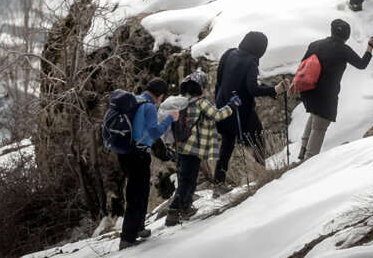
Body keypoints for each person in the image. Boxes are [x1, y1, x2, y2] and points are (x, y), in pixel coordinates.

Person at [290, 19, 373, 160]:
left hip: (308, 92)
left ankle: (303, 149)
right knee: (320, 126)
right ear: (346, 36)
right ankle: (308, 161)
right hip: (326, 95)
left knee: (314, 115)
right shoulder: (343, 49)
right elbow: (361, 64)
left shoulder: (315, 45)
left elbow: (302, 66)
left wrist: (294, 84)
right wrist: (370, 47)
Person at [213, 31, 289, 191]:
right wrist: (276, 89)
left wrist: (219, 102)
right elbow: (253, 89)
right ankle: (263, 175)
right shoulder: (250, 62)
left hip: (223, 106)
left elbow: (219, 80)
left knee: (227, 144)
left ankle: (218, 184)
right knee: (258, 139)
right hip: (241, 110)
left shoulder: (229, 53)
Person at [165, 70, 240, 226]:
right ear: (200, 87)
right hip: (194, 147)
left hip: (181, 146)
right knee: (188, 180)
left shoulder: (181, 102)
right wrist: (232, 105)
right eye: (204, 86)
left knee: (188, 179)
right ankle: (173, 211)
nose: (205, 89)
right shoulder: (201, 102)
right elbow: (217, 115)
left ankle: (185, 208)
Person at [118, 77, 179, 251]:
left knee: (142, 191)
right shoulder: (149, 106)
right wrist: (170, 118)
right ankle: (127, 239)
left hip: (125, 152)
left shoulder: (136, 99)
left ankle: (139, 228)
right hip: (138, 155)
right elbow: (155, 133)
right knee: (136, 195)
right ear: (159, 96)